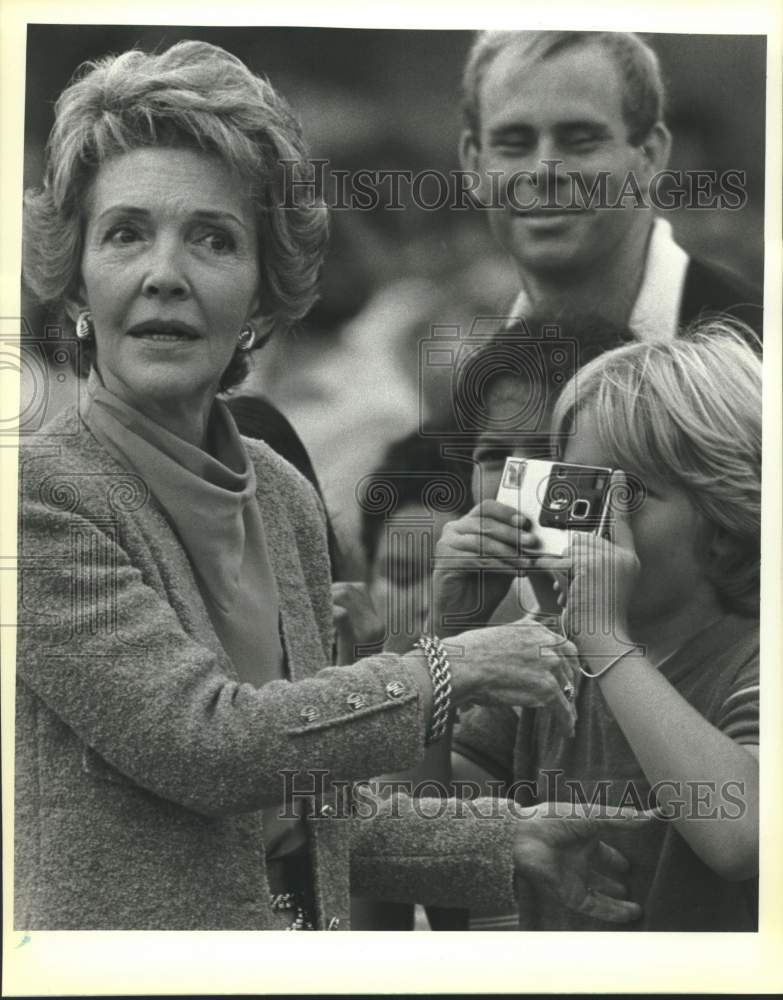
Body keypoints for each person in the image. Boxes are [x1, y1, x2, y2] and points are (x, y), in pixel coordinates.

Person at [16, 39, 648, 932]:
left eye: (212, 237)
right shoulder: (38, 492)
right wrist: (447, 666)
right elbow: (208, 746)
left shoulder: (278, 492)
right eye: (125, 234)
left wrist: (506, 844)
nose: (165, 273)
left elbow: (306, 807)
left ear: (265, 288)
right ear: (76, 279)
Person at [448, 322, 760, 930]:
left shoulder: (752, 658)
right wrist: (441, 642)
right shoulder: (552, 656)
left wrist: (607, 641)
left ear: (726, 522)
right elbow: (426, 811)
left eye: (627, 496)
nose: (588, 522)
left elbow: (742, 837)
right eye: (579, 490)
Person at [459, 30, 763, 340]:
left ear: (650, 157)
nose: (543, 171)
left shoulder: (760, 346)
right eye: (513, 144)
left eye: (581, 141)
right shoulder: (479, 370)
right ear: (473, 164)